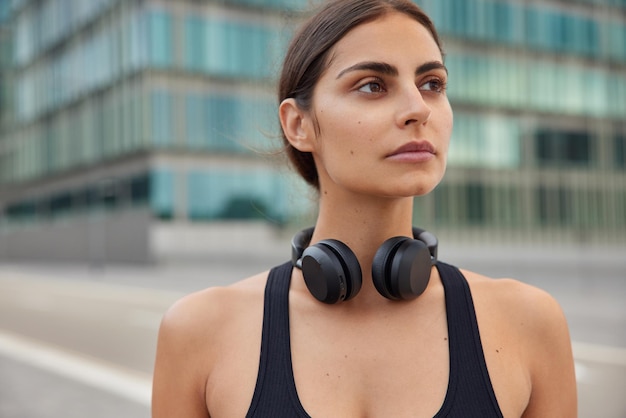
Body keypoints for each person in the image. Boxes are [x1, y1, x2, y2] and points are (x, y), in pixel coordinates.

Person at [151, 0, 577, 416]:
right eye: (373, 85)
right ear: (298, 125)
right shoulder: (198, 332)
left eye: (432, 83)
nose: (418, 109)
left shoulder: (529, 324)